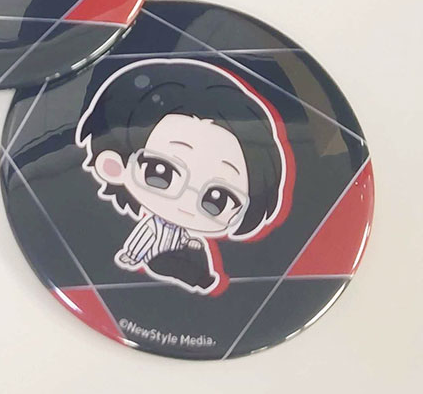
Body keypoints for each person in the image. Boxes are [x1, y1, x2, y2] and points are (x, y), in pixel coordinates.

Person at [75, 59, 292, 294]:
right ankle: (181, 270)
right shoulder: (151, 226)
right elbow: (141, 240)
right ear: (114, 166)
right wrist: (132, 257)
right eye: (160, 173)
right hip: (151, 264)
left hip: (180, 283)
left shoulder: (183, 234)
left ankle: (198, 276)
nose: (187, 204)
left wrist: (191, 244)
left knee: (194, 251)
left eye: (217, 200)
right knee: (165, 261)